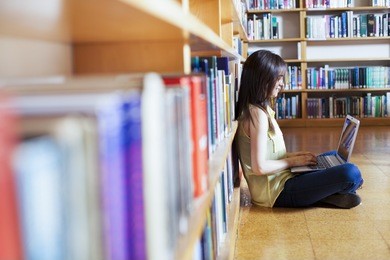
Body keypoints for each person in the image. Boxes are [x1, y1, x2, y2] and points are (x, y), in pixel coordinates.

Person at [234, 50, 363, 209]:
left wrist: (296, 156)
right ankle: (329, 194)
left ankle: (329, 194)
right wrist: (292, 161)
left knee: (332, 157)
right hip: (277, 192)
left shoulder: (260, 109)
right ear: (263, 78)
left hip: (285, 178)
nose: (282, 83)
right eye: (278, 78)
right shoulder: (256, 115)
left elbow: (268, 154)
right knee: (351, 173)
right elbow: (259, 167)